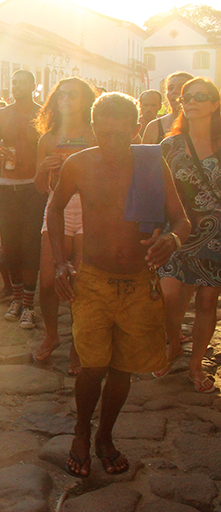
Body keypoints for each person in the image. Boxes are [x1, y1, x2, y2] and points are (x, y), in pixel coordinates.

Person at [50, 92, 189, 478]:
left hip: (139, 283)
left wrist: (171, 240)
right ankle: (81, 430)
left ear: (134, 129)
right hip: (92, 280)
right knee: (92, 366)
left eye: (120, 134)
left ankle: (105, 436)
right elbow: (53, 207)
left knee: (123, 369)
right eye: (104, 134)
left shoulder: (151, 163)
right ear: (93, 129)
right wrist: (62, 263)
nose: (111, 143)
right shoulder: (78, 164)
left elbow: (182, 220)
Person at [155, 77, 221, 392]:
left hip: (218, 233)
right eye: (186, 97)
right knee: (168, 296)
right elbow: (155, 191)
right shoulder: (169, 145)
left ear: (215, 103)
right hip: (179, 229)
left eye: (200, 96)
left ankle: (196, 365)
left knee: (208, 301)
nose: (191, 102)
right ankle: (173, 345)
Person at [31, 78, 97, 369]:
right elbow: (36, 185)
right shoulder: (47, 139)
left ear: (84, 101)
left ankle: (78, 346)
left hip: (88, 210)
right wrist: (44, 169)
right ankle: (51, 335)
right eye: (61, 95)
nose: (66, 99)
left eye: (73, 95)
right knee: (47, 282)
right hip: (56, 208)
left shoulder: (94, 134)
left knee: (81, 283)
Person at [0, 70, 46, 323]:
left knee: (31, 246)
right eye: (14, 82)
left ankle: (29, 306)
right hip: (6, 186)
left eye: (22, 82)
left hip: (33, 187)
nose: (16, 86)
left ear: (33, 86)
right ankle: (16, 299)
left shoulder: (43, 113)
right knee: (10, 247)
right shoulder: (1, 114)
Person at [142, 72, 192, 145]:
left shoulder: (204, 124)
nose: (174, 91)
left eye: (181, 87)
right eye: (171, 88)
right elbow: (143, 155)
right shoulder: (153, 127)